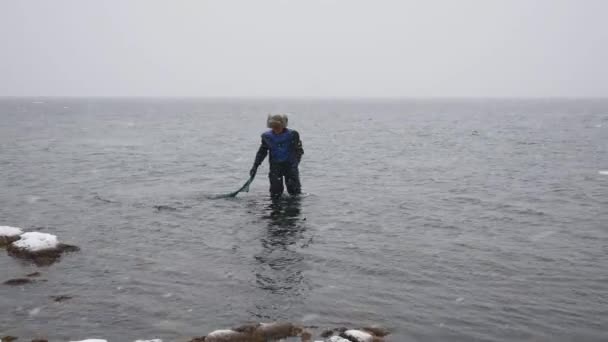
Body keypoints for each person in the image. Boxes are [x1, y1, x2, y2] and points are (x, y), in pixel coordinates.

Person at [250, 114, 304, 198]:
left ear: (283, 125)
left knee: (294, 193)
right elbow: (262, 152)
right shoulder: (267, 137)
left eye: (278, 126)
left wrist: (295, 164)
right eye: (273, 127)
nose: (276, 129)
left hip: (290, 165)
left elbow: (299, 150)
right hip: (275, 166)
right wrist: (255, 166)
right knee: (275, 193)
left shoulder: (293, 135)